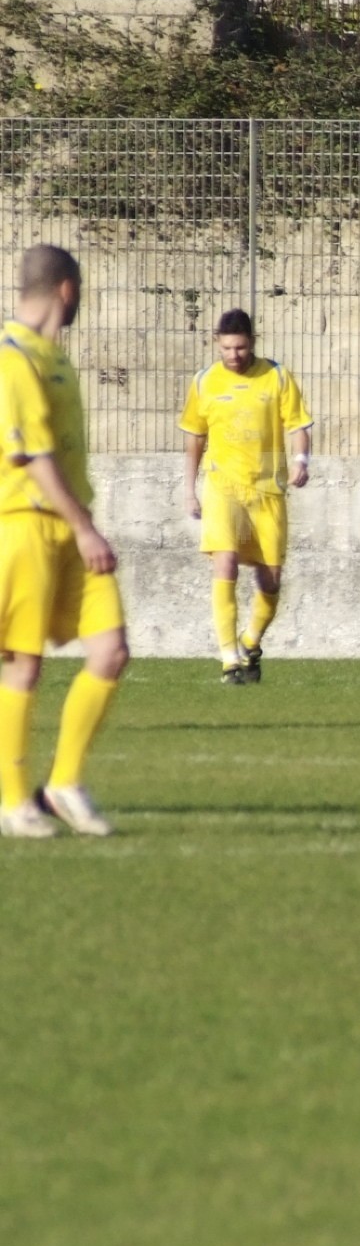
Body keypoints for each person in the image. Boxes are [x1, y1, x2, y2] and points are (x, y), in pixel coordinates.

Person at [0, 244, 128, 839]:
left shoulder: (55, 356)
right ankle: (12, 802)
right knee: (22, 667)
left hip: (73, 527)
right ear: (68, 290)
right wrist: (84, 527)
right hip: (26, 524)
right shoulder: (13, 356)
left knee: (111, 650)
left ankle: (63, 783)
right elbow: (33, 455)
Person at [180, 309, 312, 685]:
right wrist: (189, 490)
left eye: (239, 347)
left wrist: (301, 460)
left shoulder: (277, 376)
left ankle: (250, 641)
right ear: (216, 343)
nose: (233, 355)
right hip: (223, 486)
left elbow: (299, 425)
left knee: (270, 579)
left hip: (267, 488)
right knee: (226, 564)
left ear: (252, 342)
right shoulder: (205, 382)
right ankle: (228, 660)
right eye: (226, 348)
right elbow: (195, 439)